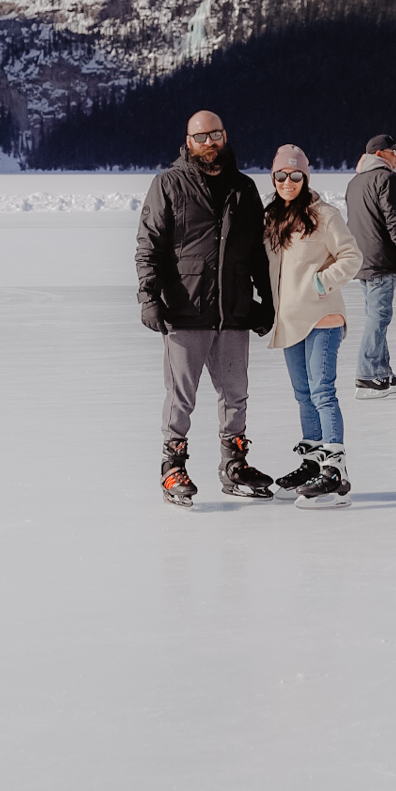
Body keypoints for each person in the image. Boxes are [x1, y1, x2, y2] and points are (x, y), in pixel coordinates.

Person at [135, 110, 276, 506]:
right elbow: (148, 247)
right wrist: (149, 297)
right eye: (201, 137)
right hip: (184, 309)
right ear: (188, 140)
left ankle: (234, 464)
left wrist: (267, 301)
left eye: (215, 135)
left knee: (236, 393)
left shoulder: (244, 188)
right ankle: (172, 468)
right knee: (181, 395)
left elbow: (257, 254)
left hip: (233, 310)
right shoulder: (168, 184)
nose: (209, 143)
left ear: (225, 135)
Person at [262, 144, 362, 509]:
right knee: (304, 395)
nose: (288, 182)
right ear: (273, 178)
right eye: (281, 176)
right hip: (289, 320)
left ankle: (335, 469)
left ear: (305, 177)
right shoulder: (272, 217)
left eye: (295, 175)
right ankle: (313, 462)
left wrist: (321, 283)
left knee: (322, 392)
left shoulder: (324, 214)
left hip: (322, 318)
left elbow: (352, 255)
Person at [344, 134, 396, 400]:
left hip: (362, 260)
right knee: (378, 318)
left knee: (376, 316)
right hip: (380, 260)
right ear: (379, 154)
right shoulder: (386, 180)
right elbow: (395, 221)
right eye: (393, 152)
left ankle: (381, 370)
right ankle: (366, 375)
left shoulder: (355, 182)